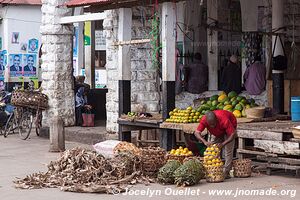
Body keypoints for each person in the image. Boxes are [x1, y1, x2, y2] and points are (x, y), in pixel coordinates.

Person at [194, 110, 237, 178]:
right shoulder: (204, 120)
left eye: (214, 124)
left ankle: (226, 171)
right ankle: (215, 169)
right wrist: (204, 142)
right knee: (214, 148)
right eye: (210, 125)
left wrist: (223, 144)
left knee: (228, 150)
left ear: (216, 119)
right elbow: (196, 133)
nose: (212, 126)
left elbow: (233, 135)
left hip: (230, 126)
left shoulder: (224, 120)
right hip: (218, 131)